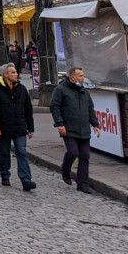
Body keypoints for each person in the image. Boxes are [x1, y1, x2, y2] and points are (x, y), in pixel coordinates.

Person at [0, 62, 36, 191]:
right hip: (4, 127)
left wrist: (30, 128)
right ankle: (5, 175)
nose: (16, 74)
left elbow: (28, 109)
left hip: (20, 126)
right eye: (13, 72)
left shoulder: (21, 88)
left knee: (21, 151)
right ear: (6, 74)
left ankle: (26, 180)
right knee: (4, 152)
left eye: (16, 72)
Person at [50, 66, 100, 194]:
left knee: (85, 156)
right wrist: (59, 124)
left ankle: (82, 184)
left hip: (84, 129)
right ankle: (65, 169)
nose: (83, 78)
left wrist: (95, 125)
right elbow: (55, 107)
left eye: (83, 75)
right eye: (80, 76)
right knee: (73, 152)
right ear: (73, 77)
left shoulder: (84, 92)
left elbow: (90, 109)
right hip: (69, 128)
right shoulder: (61, 90)